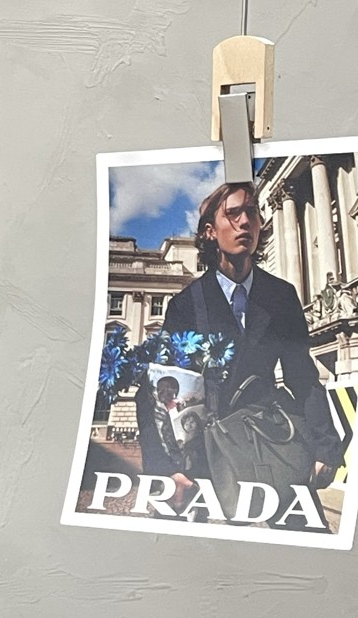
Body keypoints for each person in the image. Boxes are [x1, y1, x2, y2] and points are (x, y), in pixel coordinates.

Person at [137, 178, 344, 501]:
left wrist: (326, 448)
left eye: (252, 212)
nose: (245, 221)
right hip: (206, 460)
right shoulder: (186, 305)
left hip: (272, 445)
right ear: (210, 231)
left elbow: (303, 376)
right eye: (233, 214)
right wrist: (165, 470)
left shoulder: (281, 296)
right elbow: (155, 391)